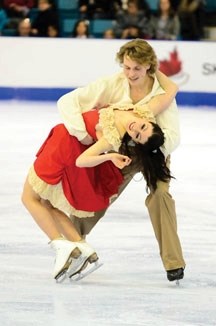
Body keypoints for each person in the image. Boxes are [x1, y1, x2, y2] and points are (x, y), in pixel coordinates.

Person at [57, 38, 186, 282]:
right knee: (100, 193)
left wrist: (146, 144)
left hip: (154, 153)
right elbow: (68, 101)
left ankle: (174, 263)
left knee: (160, 196)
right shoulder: (113, 83)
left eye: (136, 68)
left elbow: (173, 137)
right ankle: (73, 249)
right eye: (126, 67)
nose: (130, 73)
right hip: (121, 150)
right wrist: (83, 135)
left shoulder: (162, 93)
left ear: (149, 66)